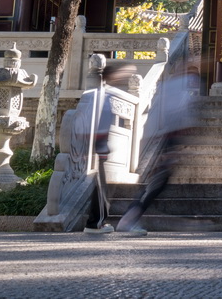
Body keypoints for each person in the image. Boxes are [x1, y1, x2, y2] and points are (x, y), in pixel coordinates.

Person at [114, 69, 200, 236]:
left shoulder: (170, 90)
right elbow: (175, 123)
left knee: (157, 186)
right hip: (167, 143)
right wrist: (170, 152)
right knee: (154, 186)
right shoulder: (179, 96)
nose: (194, 83)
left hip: (166, 142)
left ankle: (129, 218)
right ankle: (127, 220)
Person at [84, 61, 137, 235]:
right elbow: (94, 124)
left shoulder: (105, 94)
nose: (123, 77)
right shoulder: (100, 95)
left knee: (103, 187)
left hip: (100, 146)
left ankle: (99, 221)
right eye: (121, 74)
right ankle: (94, 224)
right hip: (98, 148)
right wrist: (99, 147)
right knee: (100, 188)